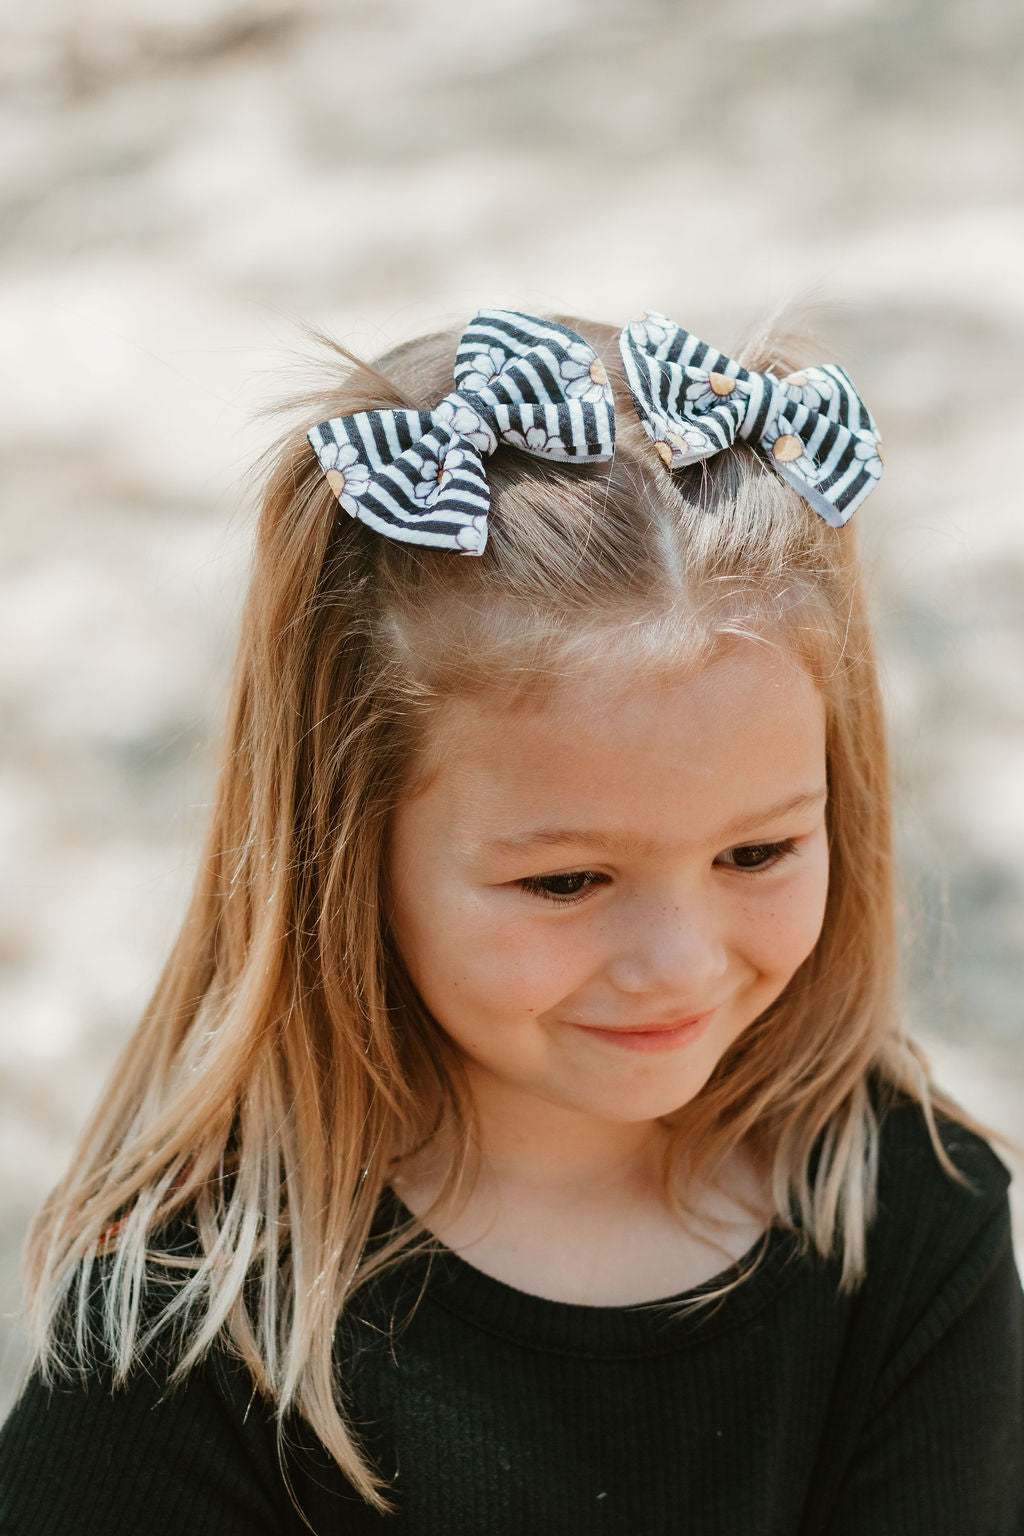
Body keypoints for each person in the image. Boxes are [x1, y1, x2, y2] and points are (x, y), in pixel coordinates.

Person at [0, 308, 1020, 1536]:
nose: (678, 962)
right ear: (348, 853)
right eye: (567, 882)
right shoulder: (194, 1330)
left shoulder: (912, 1218)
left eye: (755, 853)